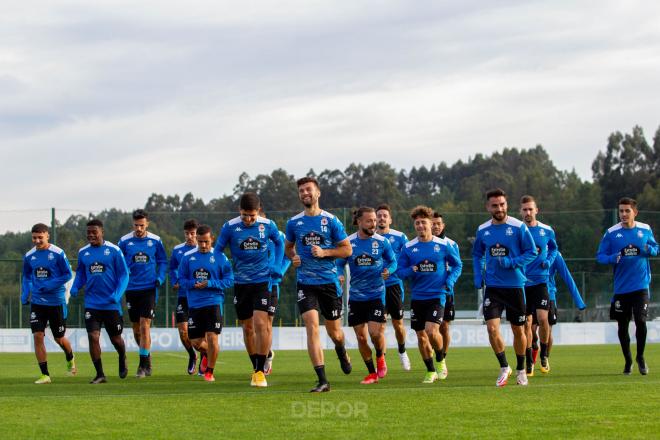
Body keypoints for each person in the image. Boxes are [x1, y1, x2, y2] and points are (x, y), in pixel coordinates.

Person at [284, 176, 353, 393]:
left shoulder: (331, 221)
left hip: (329, 283)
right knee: (311, 327)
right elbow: (288, 248)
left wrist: (325, 252)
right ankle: (323, 380)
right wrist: (293, 257)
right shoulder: (294, 223)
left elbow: (347, 250)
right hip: (306, 283)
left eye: (308, 190)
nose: (305, 193)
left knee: (335, 332)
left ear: (318, 193)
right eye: (301, 191)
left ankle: (341, 349)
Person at [215, 193, 284, 387]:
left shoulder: (268, 225)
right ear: (240, 210)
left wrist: (277, 265)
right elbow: (218, 251)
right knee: (247, 327)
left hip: (263, 281)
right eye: (245, 215)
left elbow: (279, 243)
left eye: (252, 216)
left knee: (261, 324)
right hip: (240, 283)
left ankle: (260, 371)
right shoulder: (229, 227)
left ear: (258, 211)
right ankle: (255, 366)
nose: (248, 219)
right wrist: (227, 269)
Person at [472, 188, 537, 387]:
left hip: (515, 286)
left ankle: (520, 370)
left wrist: (512, 263)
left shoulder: (518, 227)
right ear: (488, 207)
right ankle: (504, 366)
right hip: (493, 286)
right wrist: (478, 275)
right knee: (492, 328)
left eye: (502, 204)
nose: (499, 208)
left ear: (506, 205)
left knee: (519, 330)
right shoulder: (483, 230)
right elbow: (477, 254)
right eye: (495, 205)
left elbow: (532, 251)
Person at [398, 206, 462, 384]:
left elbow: (457, 266)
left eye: (423, 222)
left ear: (430, 223)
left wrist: (450, 281)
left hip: (437, 295)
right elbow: (400, 272)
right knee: (420, 336)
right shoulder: (409, 248)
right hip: (418, 297)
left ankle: (440, 360)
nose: (420, 226)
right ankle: (430, 370)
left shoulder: (443, 245)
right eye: (417, 223)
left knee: (431, 331)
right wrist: (411, 270)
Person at [597, 197, 658, 375]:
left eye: (627, 211)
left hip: (641, 286)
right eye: (621, 211)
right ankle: (628, 360)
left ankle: (640, 357)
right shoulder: (611, 233)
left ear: (634, 212)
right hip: (621, 289)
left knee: (641, 320)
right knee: (622, 326)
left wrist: (650, 250)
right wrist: (611, 258)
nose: (623, 214)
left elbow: (656, 248)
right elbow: (600, 256)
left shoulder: (645, 229)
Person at [337, 207, 397, 384]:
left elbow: (393, 261)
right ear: (359, 222)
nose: (374, 224)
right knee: (361, 337)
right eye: (369, 220)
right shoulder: (348, 243)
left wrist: (389, 270)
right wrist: (339, 274)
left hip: (376, 294)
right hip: (356, 297)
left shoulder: (382, 242)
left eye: (375, 220)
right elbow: (339, 263)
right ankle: (372, 373)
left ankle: (380, 357)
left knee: (374, 333)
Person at [70, 219, 130, 384]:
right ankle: (100, 374)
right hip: (92, 303)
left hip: (111, 304)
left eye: (94, 232)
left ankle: (122, 356)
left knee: (116, 339)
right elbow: (81, 274)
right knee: (93, 336)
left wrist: (117, 295)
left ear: (102, 232)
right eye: (88, 232)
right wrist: (76, 286)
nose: (91, 235)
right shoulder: (83, 252)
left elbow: (124, 275)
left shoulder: (114, 250)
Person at [178, 224, 234, 382]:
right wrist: (192, 284)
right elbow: (181, 279)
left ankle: (210, 371)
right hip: (195, 305)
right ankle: (209, 354)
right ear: (196, 239)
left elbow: (229, 280)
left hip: (214, 302)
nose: (203, 245)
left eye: (206, 242)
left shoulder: (220, 257)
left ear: (212, 240)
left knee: (212, 337)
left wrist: (209, 283)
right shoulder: (188, 257)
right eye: (200, 241)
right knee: (195, 342)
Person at [21, 223, 75, 384]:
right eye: (34, 237)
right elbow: (26, 276)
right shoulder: (29, 256)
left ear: (47, 236)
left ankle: (70, 357)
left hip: (56, 302)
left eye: (40, 237)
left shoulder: (58, 253)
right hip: (37, 302)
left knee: (59, 339)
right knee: (38, 336)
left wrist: (50, 285)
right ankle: (45, 375)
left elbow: (67, 275)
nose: (37, 240)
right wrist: (25, 293)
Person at [118, 209, 168, 378]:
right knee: (136, 329)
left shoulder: (155, 240)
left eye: (141, 225)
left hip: (149, 288)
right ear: (133, 224)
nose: (139, 228)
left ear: (147, 224)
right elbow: (118, 262)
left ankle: (142, 365)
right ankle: (147, 357)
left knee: (145, 325)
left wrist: (160, 278)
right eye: (136, 225)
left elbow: (162, 261)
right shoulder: (124, 242)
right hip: (131, 289)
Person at [519, 195, 558, 375]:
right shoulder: (517, 231)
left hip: (541, 282)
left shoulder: (546, 230)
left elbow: (554, 248)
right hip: (522, 284)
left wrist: (549, 261)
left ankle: (544, 355)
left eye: (530, 209)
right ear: (521, 212)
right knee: (526, 324)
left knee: (543, 319)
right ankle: (529, 360)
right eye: (524, 209)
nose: (528, 212)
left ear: (536, 210)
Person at [530, 251, 586, 361]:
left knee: (548, 329)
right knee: (531, 329)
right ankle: (534, 344)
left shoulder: (555, 255)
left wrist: (579, 301)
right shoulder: (529, 250)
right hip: (530, 293)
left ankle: (545, 357)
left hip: (549, 295)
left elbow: (567, 277)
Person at [169, 218, 207, 375]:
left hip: (199, 298)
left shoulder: (204, 250)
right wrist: (175, 281)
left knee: (200, 335)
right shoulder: (178, 250)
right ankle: (192, 356)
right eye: (187, 234)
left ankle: (205, 356)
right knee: (183, 332)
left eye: (192, 233)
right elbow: (172, 268)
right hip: (183, 297)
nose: (189, 237)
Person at [375, 204, 411, 370]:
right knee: (380, 325)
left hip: (394, 286)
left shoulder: (400, 237)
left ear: (390, 219)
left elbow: (408, 257)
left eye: (384, 215)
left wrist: (396, 271)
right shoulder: (370, 238)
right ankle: (382, 360)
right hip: (375, 287)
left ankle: (402, 351)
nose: (382, 218)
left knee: (398, 324)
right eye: (379, 215)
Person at [260, 207, 292, 376]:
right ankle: (266, 353)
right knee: (253, 325)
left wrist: (279, 270)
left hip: (272, 285)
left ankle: (266, 357)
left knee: (267, 323)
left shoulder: (278, 235)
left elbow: (289, 256)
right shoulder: (246, 234)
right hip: (251, 285)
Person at [431, 211, 460, 378]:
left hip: (447, 292)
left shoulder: (451, 244)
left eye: (438, 224)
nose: (435, 227)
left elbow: (458, 266)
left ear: (443, 226)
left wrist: (449, 281)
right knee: (431, 328)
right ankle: (436, 355)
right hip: (429, 292)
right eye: (432, 223)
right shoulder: (424, 243)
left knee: (444, 327)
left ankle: (443, 358)